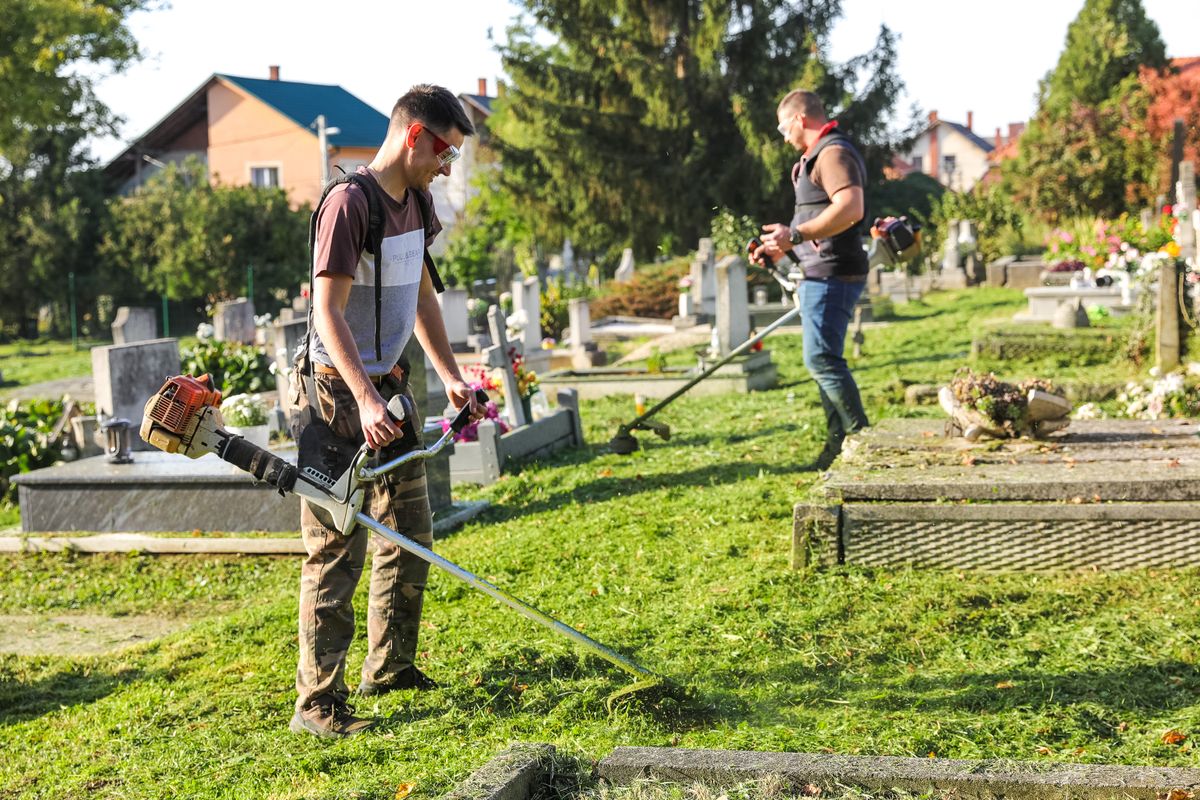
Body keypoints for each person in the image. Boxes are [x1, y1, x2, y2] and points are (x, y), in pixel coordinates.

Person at [290, 84, 482, 738]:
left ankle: (390, 666)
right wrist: (366, 397)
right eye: (445, 151)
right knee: (335, 551)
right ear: (414, 135)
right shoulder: (349, 204)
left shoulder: (418, 201)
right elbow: (327, 312)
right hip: (336, 397)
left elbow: (422, 295)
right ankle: (317, 705)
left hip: (391, 389)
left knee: (410, 532)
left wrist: (452, 377)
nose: (448, 166)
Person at [751, 88, 870, 470]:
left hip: (834, 273)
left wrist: (797, 235)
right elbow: (815, 220)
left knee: (820, 359)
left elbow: (850, 208)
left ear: (800, 119)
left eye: (784, 126)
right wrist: (780, 247)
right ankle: (837, 448)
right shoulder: (811, 158)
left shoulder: (833, 152)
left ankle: (861, 442)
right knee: (823, 360)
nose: (783, 136)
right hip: (819, 272)